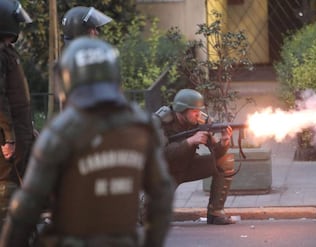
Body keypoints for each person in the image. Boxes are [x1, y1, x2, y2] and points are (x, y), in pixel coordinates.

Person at [0, 37, 174, 247]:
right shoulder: (141, 126)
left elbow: (27, 206)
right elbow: (162, 195)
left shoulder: (61, 131)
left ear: (67, 79)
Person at [155, 89, 236, 225]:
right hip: (165, 173)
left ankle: (216, 212)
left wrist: (224, 142)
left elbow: (216, 153)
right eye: (194, 111)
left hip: (188, 166)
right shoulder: (160, 123)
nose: (198, 114)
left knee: (225, 161)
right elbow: (162, 155)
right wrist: (190, 141)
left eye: (199, 110)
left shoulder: (200, 121)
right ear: (182, 110)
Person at [0, 0, 34, 229]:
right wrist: (8, 135)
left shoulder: (6, 51)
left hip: (17, 134)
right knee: (7, 186)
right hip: (6, 140)